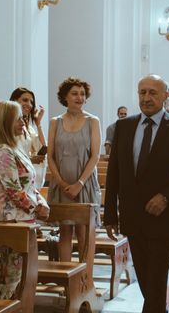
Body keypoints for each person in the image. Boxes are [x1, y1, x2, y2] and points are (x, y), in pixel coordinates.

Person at [105, 74, 169, 313]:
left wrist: (167, 197)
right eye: (142, 92)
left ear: (165, 96)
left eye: (152, 93)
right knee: (147, 281)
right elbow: (114, 173)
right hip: (132, 217)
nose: (147, 98)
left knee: (157, 278)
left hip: (164, 217)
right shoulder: (124, 126)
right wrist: (110, 215)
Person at [0, 101, 50, 299]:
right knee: (11, 275)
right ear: (5, 122)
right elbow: (13, 189)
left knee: (21, 274)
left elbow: (29, 184)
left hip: (23, 218)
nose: (23, 121)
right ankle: (0, 306)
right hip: (12, 219)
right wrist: (37, 208)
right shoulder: (2, 150)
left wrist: (42, 202)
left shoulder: (15, 147)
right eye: (18, 118)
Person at [47, 77, 101, 262]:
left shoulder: (92, 121)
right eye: (74, 93)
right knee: (65, 231)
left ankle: (85, 279)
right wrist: (61, 183)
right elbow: (50, 155)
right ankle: (66, 279)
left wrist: (79, 183)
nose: (79, 97)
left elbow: (95, 156)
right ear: (65, 97)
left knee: (83, 230)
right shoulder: (55, 122)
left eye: (83, 94)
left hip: (83, 182)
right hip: (62, 182)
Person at [9, 87, 47, 187]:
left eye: (31, 102)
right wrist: (31, 160)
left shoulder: (28, 128)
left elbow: (43, 146)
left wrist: (38, 123)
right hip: (16, 178)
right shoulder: (9, 126)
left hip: (30, 177)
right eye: (25, 100)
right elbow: (9, 157)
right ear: (14, 101)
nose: (29, 105)